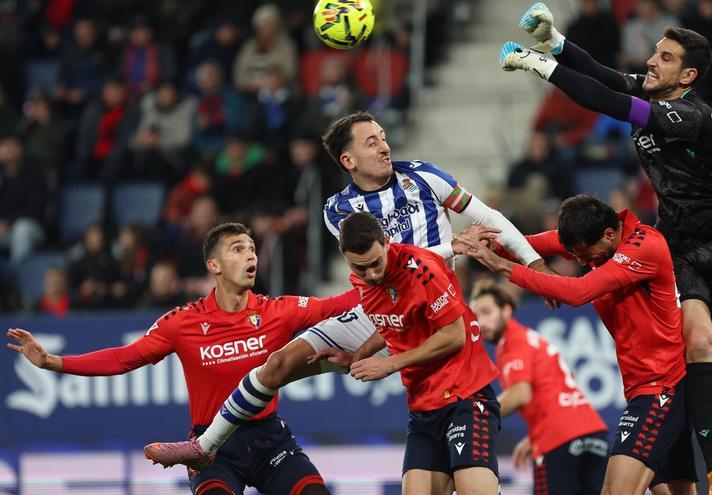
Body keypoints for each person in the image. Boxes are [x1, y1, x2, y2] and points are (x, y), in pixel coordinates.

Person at [144, 110, 549, 468]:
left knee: (448, 432)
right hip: (378, 314)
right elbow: (384, 265)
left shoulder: (424, 176)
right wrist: (452, 245)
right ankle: (206, 445)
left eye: (384, 137)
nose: (384, 146)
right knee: (276, 365)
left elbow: (486, 218)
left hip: (431, 313)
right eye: (371, 142)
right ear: (348, 160)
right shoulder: (339, 210)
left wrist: (534, 263)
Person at [499, 4, 712, 490]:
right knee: (697, 341)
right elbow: (604, 77)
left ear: (688, 75)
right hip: (678, 242)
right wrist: (556, 44)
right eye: (655, 53)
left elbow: (609, 103)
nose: (651, 62)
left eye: (664, 57)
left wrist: (542, 68)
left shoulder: (689, 116)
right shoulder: (658, 90)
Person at [8, 223, 360, 495]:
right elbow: (124, 359)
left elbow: (339, 304)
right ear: (214, 265)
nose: (251, 256)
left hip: (271, 441)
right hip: (212, 448)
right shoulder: (183, 321)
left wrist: (384, 270)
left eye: (253, 249)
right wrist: (53, 361)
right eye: (238, 250)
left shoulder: (278, 311)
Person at [462, 195, 697, 494]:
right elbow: (524, 244)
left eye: (585, 255)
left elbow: (578, 292)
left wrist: (503, 268)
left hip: (663, 387)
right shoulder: (593, 238)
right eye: (576, 256)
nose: (583, 262)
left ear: (609, 234)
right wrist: (483, 243)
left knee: (614, 490)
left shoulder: (644, 246)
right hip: (644, 386)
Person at [338, 211, 502, 494]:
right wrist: (359, 355)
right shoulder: (362, 280)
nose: (371, 274)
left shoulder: (423, 270)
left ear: (387, 242)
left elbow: (454, 336)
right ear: (344, 257)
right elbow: (396, 321)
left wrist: (390, 364)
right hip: (423, 406)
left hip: (465, 394)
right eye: (360, 268)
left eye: (376, 263)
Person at [470, 279, 609, 494]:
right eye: (475, 316)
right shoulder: (531, 339)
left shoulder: (512, 342)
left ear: (506, 310)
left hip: (557, 439)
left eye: (486, 312)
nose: (480, 322)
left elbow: (520, 393)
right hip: (593, 433)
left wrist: (476, 416)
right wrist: (534, 435)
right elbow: (552, 390)